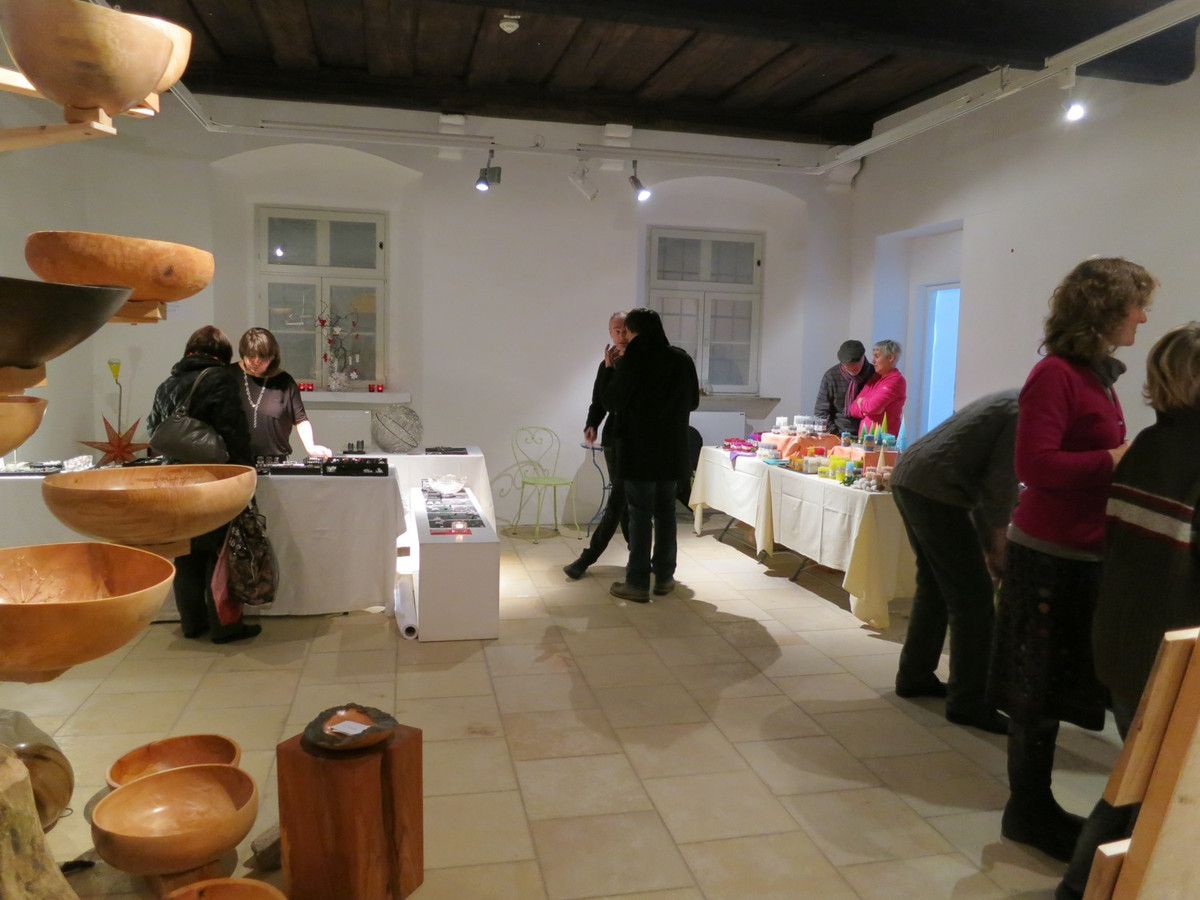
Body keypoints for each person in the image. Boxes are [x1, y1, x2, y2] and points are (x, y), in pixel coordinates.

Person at [986, 256, 1157, 863]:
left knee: (1053, 684)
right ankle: (1027, 810)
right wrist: (1114, 460)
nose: (1142, 317)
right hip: (1050, 554)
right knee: (1035, 690)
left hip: (1080, 551)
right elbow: (1034, 466)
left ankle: (1034, 809)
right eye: (1137, 305)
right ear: (1105, 309)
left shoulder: (1093, 374)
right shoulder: (1056, 374)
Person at [1057, 322, 1200, 899]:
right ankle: (1083, 888)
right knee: (1153, 791)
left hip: (1121, 640)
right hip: (1169, 655)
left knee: (1138, 782)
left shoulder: (1148, 444)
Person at [891, 390, 1019, 735]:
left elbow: (989, 481)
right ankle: (969, 702)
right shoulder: (1024, 412)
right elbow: (999, 485)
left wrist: (989, 541)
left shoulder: (1015, 401)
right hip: (935, 489)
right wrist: (996, 545)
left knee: (934, 585)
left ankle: (915, 675)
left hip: (913, 478)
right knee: (974, 601)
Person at [147, 325, 260, 643]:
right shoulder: (219, 378)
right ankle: (225, 626)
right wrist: (246, 473)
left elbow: (153, 430)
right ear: (222, 354)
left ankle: (192, 623)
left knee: (186, 552)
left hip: (174, 480)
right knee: (219, 552)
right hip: (211, 478)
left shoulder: (167, 384)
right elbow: (233, 431)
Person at [601, 308, 700, 602]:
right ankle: (665, 577)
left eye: (628, 332)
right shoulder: (681, 359)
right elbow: (693, 402)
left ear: (634, 332)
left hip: (639, 452)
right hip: (672, 451)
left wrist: (609, 370)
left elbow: (612, 402)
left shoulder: (634, 360)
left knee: (640, 516)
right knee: (666, 513)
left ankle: (637, 583)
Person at [564, 311, 630, 581]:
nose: (621, 335)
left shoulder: (638, 363)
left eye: (625, 329)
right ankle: (639, 557)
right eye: (616, 330)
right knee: (623, 501)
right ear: (610, 333)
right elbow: (600, 401)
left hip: (634, 441)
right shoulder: (607, 364)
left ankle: (586, 558)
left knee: (618, 501)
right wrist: (591, 424)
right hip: (614, 440)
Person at [236, 327, 332, 460]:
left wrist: (310, 447)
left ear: (272, 357)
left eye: (262, 357)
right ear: (243, 354)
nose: (256, 361)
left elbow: (300, 419)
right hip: (234, 462)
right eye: (251, 356)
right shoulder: (229, 376)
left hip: (273, 461)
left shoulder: (285, 382)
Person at [814, 339, 875, 435]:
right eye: (847, 364)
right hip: (838, 432)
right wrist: (836, 434)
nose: (851, 367)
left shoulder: (875, 374)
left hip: (870, 432)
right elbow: (820, 412)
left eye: (855, 363)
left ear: (863, 357)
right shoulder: (831, 376)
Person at [849, 339, 906, 434]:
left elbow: (872, 407)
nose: (873, 361)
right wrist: (866, 409)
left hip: (884, 439)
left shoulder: (896, 380)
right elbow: (853, 409)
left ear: (890, 358)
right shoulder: (874, 379)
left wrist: (861, 402)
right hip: (865, 438)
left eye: (877, 356)